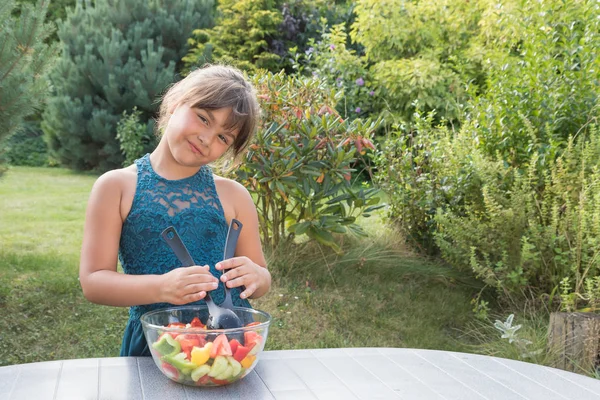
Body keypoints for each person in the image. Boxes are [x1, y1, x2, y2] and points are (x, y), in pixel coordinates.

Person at [79, 64, 271, 357]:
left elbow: (261, 279)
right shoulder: (115, 187)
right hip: (158, 347)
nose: (207, 138)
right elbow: (94, 282)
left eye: (223, 137)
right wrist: (161, 287)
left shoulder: (234, 196)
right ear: (175, 102)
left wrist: (256, 276)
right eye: (203, 118)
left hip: (231, 344)